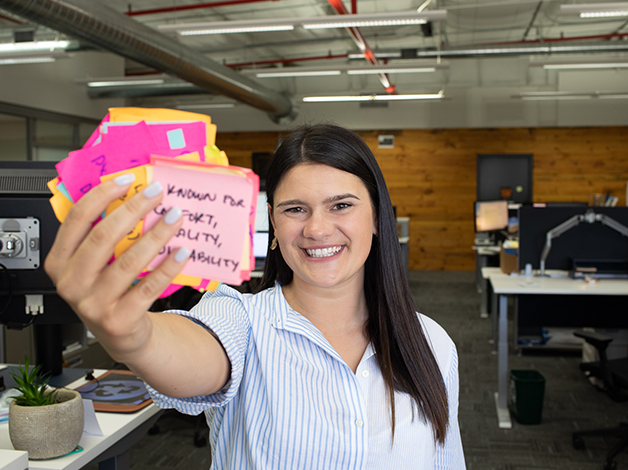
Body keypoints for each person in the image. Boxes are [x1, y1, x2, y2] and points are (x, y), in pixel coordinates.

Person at [45, 123, 465, 469]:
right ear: (274, 226)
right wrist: (135, 337)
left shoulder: (431, 344)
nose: (317, 229)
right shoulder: (239, 318)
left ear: (376, 217)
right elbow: (195, 352)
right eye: (295, 209)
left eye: (341, 206)